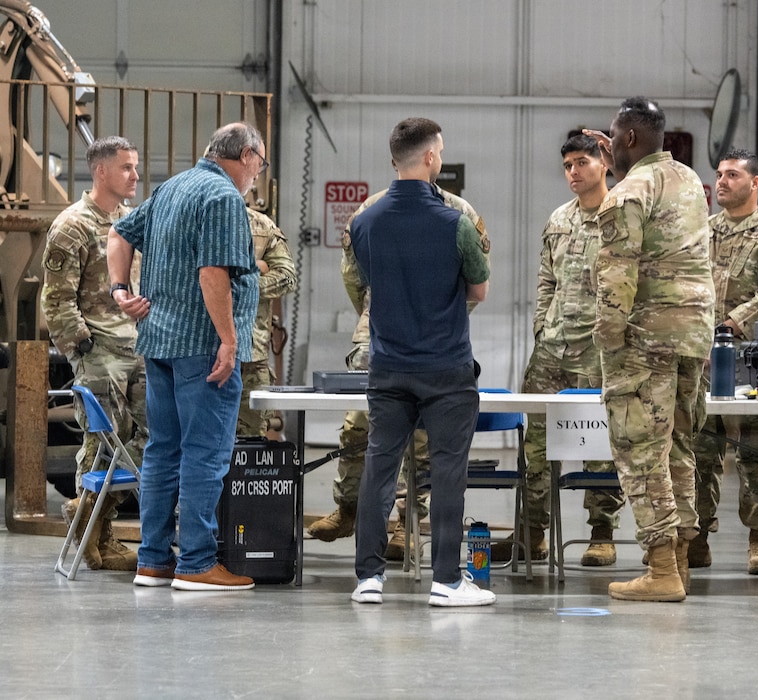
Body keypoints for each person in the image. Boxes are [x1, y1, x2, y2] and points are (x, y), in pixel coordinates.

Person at [345, 117, 494, 606]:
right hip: (446, 367)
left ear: (396, 157)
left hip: (387, 365)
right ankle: (447, 582)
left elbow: (366, 281)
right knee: (448, 472)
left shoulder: (363, 222)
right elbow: (479, 289)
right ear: (431, 157)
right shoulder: (457, 222)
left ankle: (369, 578)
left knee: (379, 467)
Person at [107, 122, 262, 591]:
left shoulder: (173, 187)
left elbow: (119, 232)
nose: (259, 172)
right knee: (205, 454)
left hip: (160, 343)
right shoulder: (223, 198)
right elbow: (212, 272)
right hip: (203, 348)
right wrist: (229, 340)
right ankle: (196, 563)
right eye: (260, 163)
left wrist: (119, 289)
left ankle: (153, 560)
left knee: (163, 452)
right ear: (247, 155)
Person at [308, 184, 490, 563]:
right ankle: (347, 509)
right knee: (359, 425)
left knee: (422, 439)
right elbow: (353, 275)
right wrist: (385, 313)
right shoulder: (373, 208)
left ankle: (406, 526)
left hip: (436, 337)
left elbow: (475, 283)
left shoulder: (460, 212)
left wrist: (441, 319)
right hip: (380, 331)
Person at [584, 97, 714, 602]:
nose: (609, 143)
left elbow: (618, 273)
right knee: (679, 449)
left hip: (646, 339)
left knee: (640, 453)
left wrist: (608, 337)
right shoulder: (686, 182)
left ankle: (660, 571)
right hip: (691, 335)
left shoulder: (628, 192)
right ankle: (678, 561)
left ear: (630, 139)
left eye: (614, 136)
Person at [490, 133, 624, 566]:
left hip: (600, 351)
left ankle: (601, 533)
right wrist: (541, 327)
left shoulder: (622, 217)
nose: (573, 172)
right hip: (552, 352)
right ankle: (532, 532)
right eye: (567, 165)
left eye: (582, 162)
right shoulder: (558, 220)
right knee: (537, 446)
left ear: (604, 162)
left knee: (600, 446)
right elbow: (546, 281)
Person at [692, 148, 758, 575]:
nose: (721, 181)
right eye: (719, 174)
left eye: (732, 174)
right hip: (702, 358)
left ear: (754, 182)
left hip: (757, 359)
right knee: (699, 448)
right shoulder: (704, 231)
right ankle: (696, 537)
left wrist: (727, 326)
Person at [41, 136, 147, 572]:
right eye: (126, 167)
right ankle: (96, 535)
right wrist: (82, 347)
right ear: (101, 171)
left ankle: (88, 513)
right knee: (104, 439)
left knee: (149, 438)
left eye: (135, 166)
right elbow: (57, 300)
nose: (135, 175)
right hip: (98, 350)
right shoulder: (72, 225)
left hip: (136, 347)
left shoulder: (130, 221)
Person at [236, 207, 298, 437]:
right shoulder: (192, 216)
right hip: (199, 357)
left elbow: (287, 277)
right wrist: (258, 268)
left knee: (250, 445)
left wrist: (242, 284)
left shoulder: (261, 225)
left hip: (252, 356)